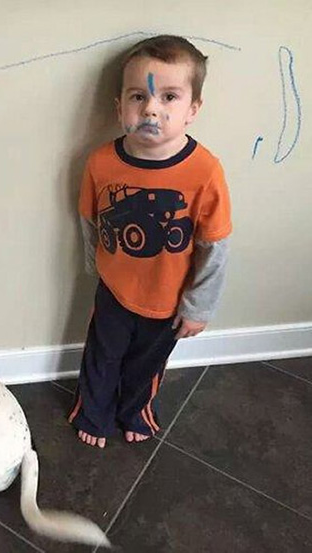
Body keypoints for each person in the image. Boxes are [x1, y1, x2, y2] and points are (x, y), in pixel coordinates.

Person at [68, 35, 232, 448]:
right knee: (101, 355)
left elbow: (214, 245)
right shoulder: (101, 162)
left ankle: (135, 410)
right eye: (138, 96)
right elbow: (90, 219)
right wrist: (95, 266)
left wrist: (198, 306)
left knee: (148, 363)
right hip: (114, 289)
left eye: (169, 97)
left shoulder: (205, 171)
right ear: (119, 107)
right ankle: (93, 412)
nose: (151, 109)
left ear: (193, 109)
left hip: (168, 299)